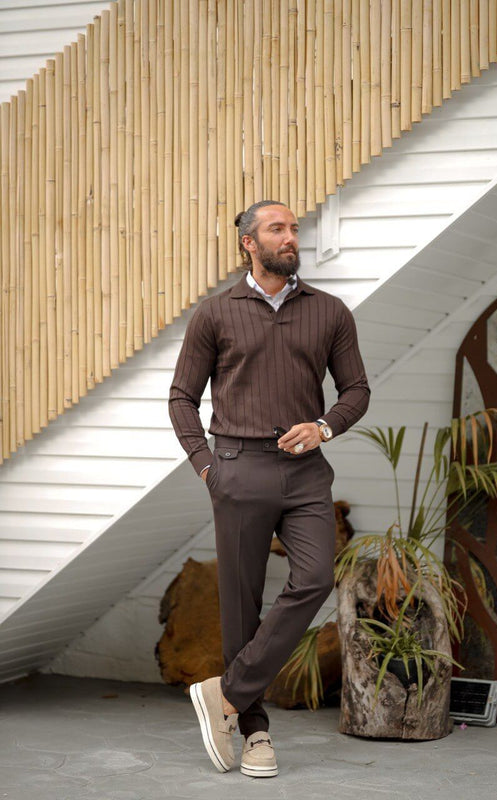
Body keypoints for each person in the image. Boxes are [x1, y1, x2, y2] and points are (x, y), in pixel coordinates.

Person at [168, 200, 370, 778]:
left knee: (313, 579)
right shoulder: (215, 314)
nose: (290, 237)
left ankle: (224, 697)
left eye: (293, 229)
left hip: (307, 472)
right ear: (248, 244)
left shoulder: (329, 312)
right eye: (277, 229)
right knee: (239, 607)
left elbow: (355, 389)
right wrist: (208, 467)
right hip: (237, 468)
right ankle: (254, 733)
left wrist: (325, 425)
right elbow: (182, 397)